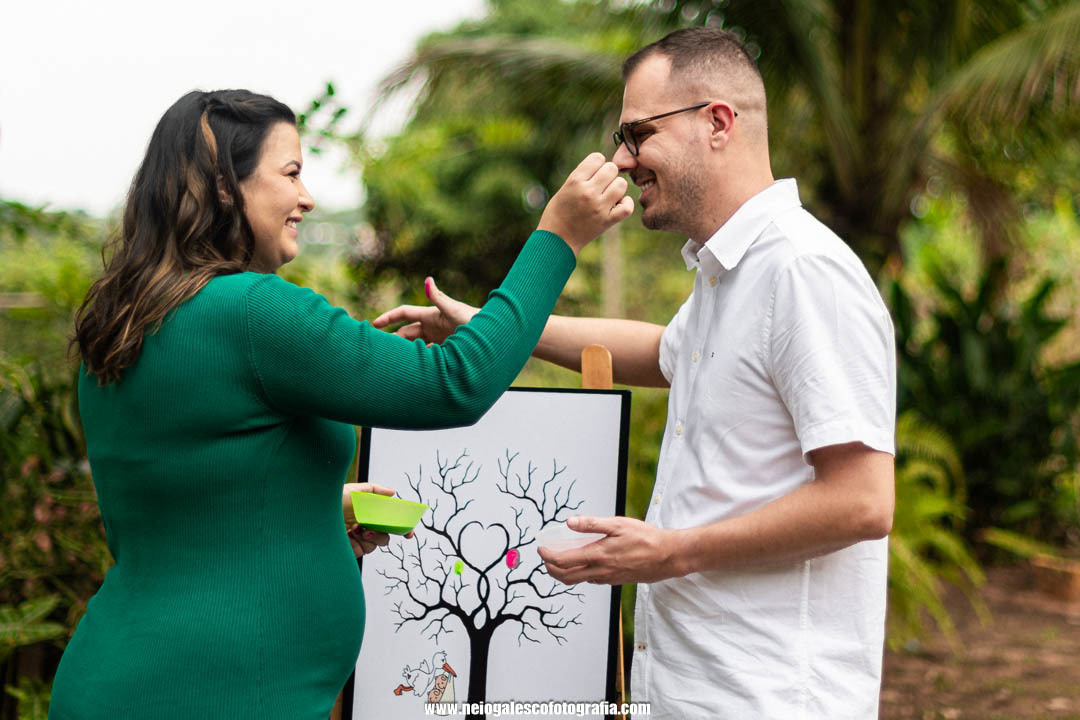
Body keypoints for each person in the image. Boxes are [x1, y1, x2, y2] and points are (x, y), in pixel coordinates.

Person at [50, 89, 631, 720]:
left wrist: (313, 512)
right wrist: (557, 237)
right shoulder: (253, 311)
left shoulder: (125, 319)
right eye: (291, 173)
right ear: (224, 187)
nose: (307, 198)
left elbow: (184, 501)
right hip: (206, 694)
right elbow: (455, 382)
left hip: (122, 678)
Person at [373, 27, 897, 719]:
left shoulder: (801, 270)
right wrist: (490, 325)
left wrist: (672, 552)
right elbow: (660, 352)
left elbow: (862, 501)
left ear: (718, 122)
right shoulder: (731, 272)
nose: (622, 159)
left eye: (637, 133)